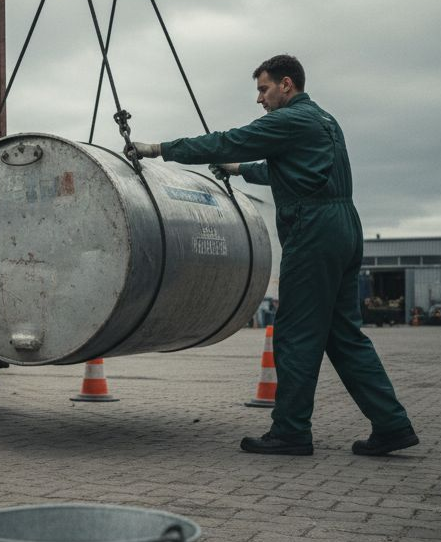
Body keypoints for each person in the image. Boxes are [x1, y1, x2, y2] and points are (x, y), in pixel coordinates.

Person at [131, 54, 417, 456]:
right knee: (343, 334)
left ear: (286, 84)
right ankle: (392, 424)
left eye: (263, 89)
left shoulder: (288, 120)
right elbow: (286, 170)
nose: (260, 99)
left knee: (295, 334)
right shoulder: (324, 121)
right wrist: (239, 170)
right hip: (344, 227)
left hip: (313, 230)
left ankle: (291, 431)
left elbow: (227, 139)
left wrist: (160, 149)